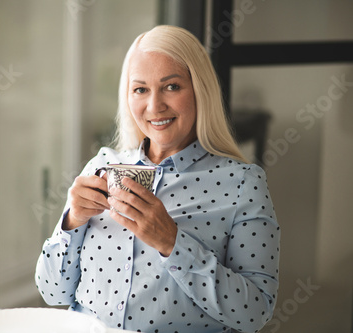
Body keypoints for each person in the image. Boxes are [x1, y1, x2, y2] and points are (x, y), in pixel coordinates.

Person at [35, 25, 280, 333]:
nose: (154, 106)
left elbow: (255, 311)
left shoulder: (243, 183)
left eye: (171, 86)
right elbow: (52, 291)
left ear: (200, 89)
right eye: (140, 89)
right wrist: (70, 222)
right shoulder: (101, 166)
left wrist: (171, 242)